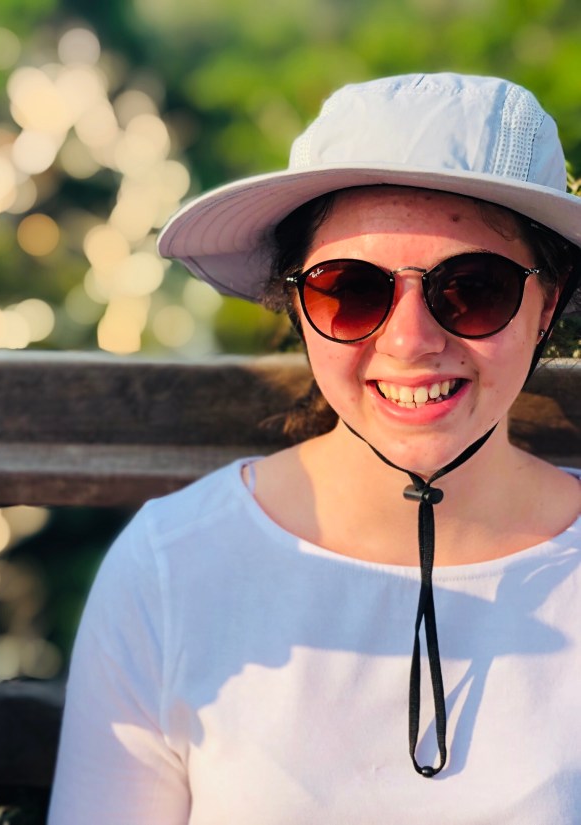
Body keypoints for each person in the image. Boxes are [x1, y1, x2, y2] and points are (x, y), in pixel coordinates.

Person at [48, 72, 581, 822]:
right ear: (299, 306)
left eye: (473, 288)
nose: (409, 340)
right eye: (351, 290)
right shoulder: (174, 567)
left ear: (547, 303)